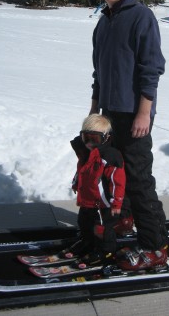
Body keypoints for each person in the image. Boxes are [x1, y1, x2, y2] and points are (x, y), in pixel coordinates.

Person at [89, 0, 168, 271]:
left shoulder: (140, 17)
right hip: (110, 112)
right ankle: (125, 218)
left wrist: (144, 112)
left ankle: (155, 246)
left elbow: (152, 68)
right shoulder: (103, 22)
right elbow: (99, 72)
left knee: (138, 180)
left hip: (135, 113)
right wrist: (94, 109)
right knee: (114, 172)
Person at [68, 113, 132, 266]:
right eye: (86, 138)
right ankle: (87, 242)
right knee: (84, 222)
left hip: (103, 204)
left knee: (102, 229)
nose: (89, 143)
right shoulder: (86, 153)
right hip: (88, 199)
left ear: (105, 138)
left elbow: (117, 182)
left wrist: (117, 203)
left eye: (94, 139)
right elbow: (82, 171)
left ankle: (106, 250)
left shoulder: (110, 156)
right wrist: (77, 183)